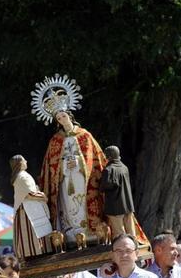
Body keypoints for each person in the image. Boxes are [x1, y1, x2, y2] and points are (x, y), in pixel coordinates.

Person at [39, 108, 107, 241]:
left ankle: (90, 233)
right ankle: (72, 234)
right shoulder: (55, 140)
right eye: (59, 118)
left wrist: (78, 162)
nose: (62, 119)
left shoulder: (84, 135)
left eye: (63, 116)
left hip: (82, 178)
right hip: (65, 179)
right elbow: (51, 165)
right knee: (69, 204)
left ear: (70, 116)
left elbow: (92, 159)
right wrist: (64, 165)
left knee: (83, 202)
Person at [10, 155, 48, 261]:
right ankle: (34, 253)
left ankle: (33, 253)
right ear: (20, 163)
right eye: (24, 160)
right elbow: (30, 194)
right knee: (32, 233)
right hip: (27, 210)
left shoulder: (20, 176)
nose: (26, 161)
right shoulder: (22, 177)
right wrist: (44, 196)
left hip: (28, 208)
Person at [99, 146, 136, 238]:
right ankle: (134, 246)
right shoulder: (124, 167)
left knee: (119, 234)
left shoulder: (108, 170)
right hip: (128, 205)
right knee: (131, 233)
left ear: (109, 157)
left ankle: (123, 247)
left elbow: (103, 187)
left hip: (115, 207)